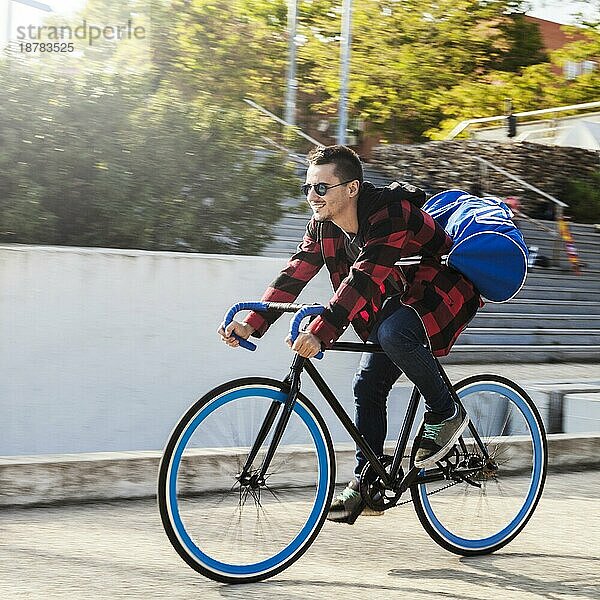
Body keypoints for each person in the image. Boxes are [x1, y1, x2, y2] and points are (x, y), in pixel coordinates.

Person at [218, 145, 482, 524]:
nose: (312, 196)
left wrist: (322, 331)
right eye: (308, 187)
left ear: (352, 188)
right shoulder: (324, 225)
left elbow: (363, 278)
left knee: (393, 333)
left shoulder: (393, 214)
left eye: (322, 188)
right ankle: (368, 482)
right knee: (367, 385)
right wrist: (252, 321)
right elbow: (296, 272)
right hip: (393, 296)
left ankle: (446, 410)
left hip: (438, 288)